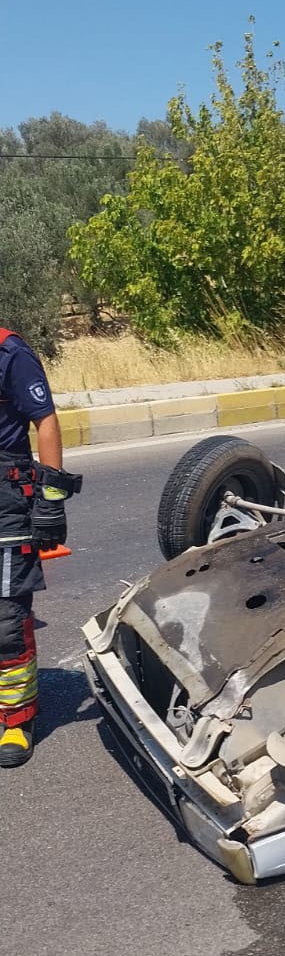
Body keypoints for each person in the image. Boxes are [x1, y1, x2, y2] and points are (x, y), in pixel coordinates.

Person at [0, 327, 82, 767]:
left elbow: (45, 420)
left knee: (6, 620)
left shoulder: (9, 351)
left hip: (5, 501)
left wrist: (51, 500)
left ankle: (16, 719)